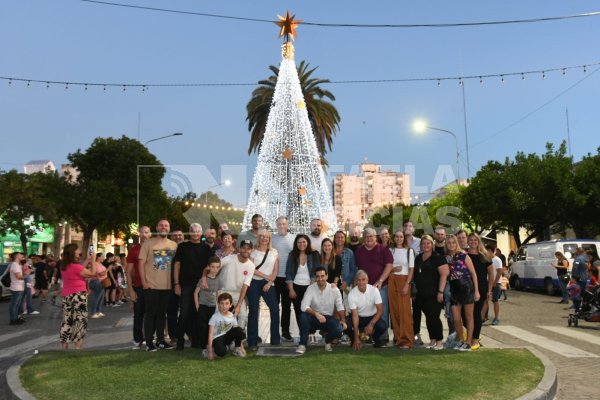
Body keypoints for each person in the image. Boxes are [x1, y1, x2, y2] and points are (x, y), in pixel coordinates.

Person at [139, 219, 178, 352]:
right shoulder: (148, 244)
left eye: (166, 225)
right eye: (161, 225)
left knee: (162, 315)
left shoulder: (174, 245)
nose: (163, 227)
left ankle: (161, 341)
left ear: (169, 228)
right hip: (151, 286)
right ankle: (149, 342)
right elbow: (141, 264)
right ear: (156, 227)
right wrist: (144, 282)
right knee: (150, 315)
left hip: (167, 287)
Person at [173, 223, 212, 350]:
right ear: (189, 232)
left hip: (200, 286)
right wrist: (176, 284)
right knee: (184, 313)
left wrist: (204, 278)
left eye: (198, 231)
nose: (195, 233)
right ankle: (180, 340)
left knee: (198, 313)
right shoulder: (182, 247)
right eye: (193, 231)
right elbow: (177, 266)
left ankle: (197, 340)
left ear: (201, 233)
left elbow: (209, 266)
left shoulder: (206, 248)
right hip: (185, 285)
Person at [295, 266, 346, 354]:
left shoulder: (334, 290)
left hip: (328, 318)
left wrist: (343, 321)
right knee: (303, 316)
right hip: (314, 318)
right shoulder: (311, 288)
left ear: (326, 276)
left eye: (322, 276)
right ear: (315, 278)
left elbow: (340, 306)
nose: (320, 279)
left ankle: (327, 341)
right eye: (318, 276)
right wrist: (316, 314)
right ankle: (302, 344)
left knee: (339, 329)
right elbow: (303, 306)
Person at [355, 227, 393, 343]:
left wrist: (380, 280)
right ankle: (366, 336)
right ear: (363, 238)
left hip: (380, 287)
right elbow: (357, 268)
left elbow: (389, 266)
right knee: (364, 312)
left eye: (371, 236)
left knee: (382, 312)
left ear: (375, 237)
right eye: (366, 237)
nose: (368, 239)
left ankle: (382, 337)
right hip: (363, 288)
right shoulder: (359, 251)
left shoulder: (383, 249)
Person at [412, 234, 449, 350]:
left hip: (434, 293)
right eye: (423, 243)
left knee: (434, 317)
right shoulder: (418, 258)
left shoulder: (438, 257)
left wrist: (440, 292)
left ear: (432, 245)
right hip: (420, 294)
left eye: (428, 243)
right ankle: (432, 340)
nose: (426, 245)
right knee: (428, 318)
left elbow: (444, 274)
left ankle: (439, 341)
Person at [247, 229, 281, 349]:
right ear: (259, 238)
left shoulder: (274, 252)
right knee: (254, 311)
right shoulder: (253, 252)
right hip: (254, 282)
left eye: (267, 237)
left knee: (275, 309)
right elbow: (251, 269)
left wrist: (270, 281)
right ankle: (252, 341)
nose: (264, 238)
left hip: (269, 284)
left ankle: (275, 339)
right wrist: (266, 277)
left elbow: (276, 270)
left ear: (269, 238)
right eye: (262, 236)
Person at [59, 243, 97, 350]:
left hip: (67, 295)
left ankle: (64, 346)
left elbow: (79, 270)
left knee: (67, 320)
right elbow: (92, 273)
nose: (79, 253)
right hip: (78, 295)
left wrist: (87, 260)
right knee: (80, 320)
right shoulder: (76, 267)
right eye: (77, 251)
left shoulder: (64, 266)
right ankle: (77, 347)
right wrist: (93, 260)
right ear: (73, 253)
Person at [445, 234, 479, 351]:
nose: (451, 245)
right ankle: (461, 340)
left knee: (469, 317)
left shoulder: (464, 256)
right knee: (455, 318)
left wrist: (477, 291)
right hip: (454, 290)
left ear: (457, 243)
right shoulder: (446, 258)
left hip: (467, 287)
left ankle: (468, 342)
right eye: (449, 243)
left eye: (453, 242)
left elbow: (474, 274)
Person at [212, 239, 255, 330]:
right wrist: (206, 279)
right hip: (223, 291)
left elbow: (245, 286)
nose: (245, 250)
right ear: (239, 249)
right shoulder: (229, 258)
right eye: (243, 248)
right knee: (218, 314)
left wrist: (238, 305)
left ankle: (237, 340)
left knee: (242, 315)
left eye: (248, 249)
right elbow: (213, 269)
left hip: (237, 293)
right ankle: (218, 338)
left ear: (251, 250)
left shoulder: (251, 266)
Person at [347, 270, 388, 350]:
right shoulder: (352, 294)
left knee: (383, 326)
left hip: (372, 317)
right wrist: (356, 338)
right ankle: (354, 339)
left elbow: (380, 310)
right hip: (359, 317)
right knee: (346, 325)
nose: (361, 282)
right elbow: (355, 317)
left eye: (363, 279)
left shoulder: (374, 290)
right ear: (356, 281)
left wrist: (371, 324)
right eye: (358, 280)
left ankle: (375, 338)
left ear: (367, 280)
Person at [286, 234, 319, 331]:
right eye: (299, 242)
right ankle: (303, 332)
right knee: (298, 310)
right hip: (296, 286)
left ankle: (311, 331)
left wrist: (311, 288)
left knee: (310, 309)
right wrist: (291, 290)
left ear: (308, 242)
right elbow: (288, 273)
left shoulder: (314, 254)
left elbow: (316, 272)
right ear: (296, 244)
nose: (301, 244)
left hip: (310, 286)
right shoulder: (292, 255)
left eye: (304, 242)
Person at [126, 225, 152, 349]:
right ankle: (137, 339)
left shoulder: (155, 248)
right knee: (138, 314)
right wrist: (130, 290)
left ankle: (149, 338)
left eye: (146, 232)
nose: (144, 234)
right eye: (141, 232)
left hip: (154, 287)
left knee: (152, 314)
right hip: (139, 287)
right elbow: (128, 272)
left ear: (150, 234)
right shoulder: (134, 250)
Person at [388, 229, 414, 348]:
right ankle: (398, 338)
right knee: (395, 310)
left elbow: (411, 269)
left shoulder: (409, 251)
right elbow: (387, 268)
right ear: (394, 238)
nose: (399, 239)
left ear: (404, 238)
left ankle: (407, 340)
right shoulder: (390, 251)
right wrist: (393, 270)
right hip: (392, 280)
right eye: (397, 236)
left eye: (401, 237)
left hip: (404, 280)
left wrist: (407, 284)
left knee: (405, 311)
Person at [467, 233, 493, 350]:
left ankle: (475, 338)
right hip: (467, 289)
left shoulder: (484, 256)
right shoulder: (464, 255)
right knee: (466, 314)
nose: (473, 242)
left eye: (475, 240)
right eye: (471, 240)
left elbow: (491, 274)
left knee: (476, 314)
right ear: (468, 241)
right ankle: (469, 336)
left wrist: (490, 289)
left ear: (478, 242)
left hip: (481, 289)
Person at [272, 216, 295, 341]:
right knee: (274, 306)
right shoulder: (272, 239)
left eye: (283, 224)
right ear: (276, 225)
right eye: (279, 224)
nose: (281, 226)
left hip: (288, 278)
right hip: (274, 277)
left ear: (287, 225)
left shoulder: (293, 238)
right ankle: (274, 331)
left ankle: (285, 331)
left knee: (287, 306)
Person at [194, 256, 220, 357]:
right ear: (208, 267)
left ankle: (211, 346)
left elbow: (218, 294)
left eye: (217, 267)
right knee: (203, 327)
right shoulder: (203, 280)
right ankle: (204, 348)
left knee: (211, 327)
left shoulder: (218, 280)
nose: (215, 269)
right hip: (203, 305)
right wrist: (197, 306)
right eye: (213, 267)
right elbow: (196, 293)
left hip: (213, 306)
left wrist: (218, 307)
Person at [207, 292, 246, 359]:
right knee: (221, 353)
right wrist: (210, 352)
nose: (224, 306)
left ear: (230, 305)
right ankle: (210, 348)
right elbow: (210, 334)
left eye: (226, 303)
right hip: (217, 338)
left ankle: (236, 348)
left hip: (227, 336)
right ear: (218, 304)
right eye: (222, 303)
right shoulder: (214, 317)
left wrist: (241, 346)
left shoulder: (232, 315)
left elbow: (237, 331)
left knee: (240, 331)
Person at [484, 244, 504, 326]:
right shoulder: (486, 260)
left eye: (488, 251)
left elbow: (499, 272)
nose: (487, 252)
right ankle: (484, 317)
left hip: (496, 284)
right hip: (487, 283)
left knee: (495, 300)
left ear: (492, 251)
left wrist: (494, 283)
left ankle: (496, 318)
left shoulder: (497, 260)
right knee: (485, 301)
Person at [8, 252, 26, 325]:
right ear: (16, 256)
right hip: (16, 288)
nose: (22, 255)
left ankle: (16, 318)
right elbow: (18, 276)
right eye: (20, 254)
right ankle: (13, 320)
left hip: (18, 287)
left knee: (17, 304)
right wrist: (26, 275)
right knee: (14, 304)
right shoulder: (15, 265)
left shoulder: (16, 265)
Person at [89, 253, 107, 319]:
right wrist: (108, 269)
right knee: (96, 297)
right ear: (98, 257)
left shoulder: (100, 264)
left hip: (101, 282)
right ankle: (93, 313)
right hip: (96, 282)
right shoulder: (96, 264)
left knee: (101, 298)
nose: (103, 258)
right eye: (102, 256)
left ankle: (98, 311)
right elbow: (100, 274)